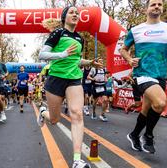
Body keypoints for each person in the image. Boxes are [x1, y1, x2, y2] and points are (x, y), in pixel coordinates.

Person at [37, 6, 101, 168]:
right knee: (54, 119)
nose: (75, 14)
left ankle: (77, 160)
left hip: (74, 79)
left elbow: (76, 61)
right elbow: (42, 55)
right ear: (64, 17)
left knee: (77, 114)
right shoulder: (58, 33)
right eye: (71, 12)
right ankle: (43, 113)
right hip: (56, 79)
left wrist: (89, 63)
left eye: (77, 13)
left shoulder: (80, 38)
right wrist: (62, 54)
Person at [120, 0, 167, 154]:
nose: (157, 6)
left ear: (162, 8)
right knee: (160, 103)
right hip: (143, 73)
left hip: (160, 74)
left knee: (146, 109)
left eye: (160, 4)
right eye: (153, 4)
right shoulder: (136, 30)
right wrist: (129, 59)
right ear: (146, 9)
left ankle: (134, 135)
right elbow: (124, 49)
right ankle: (148, 135)